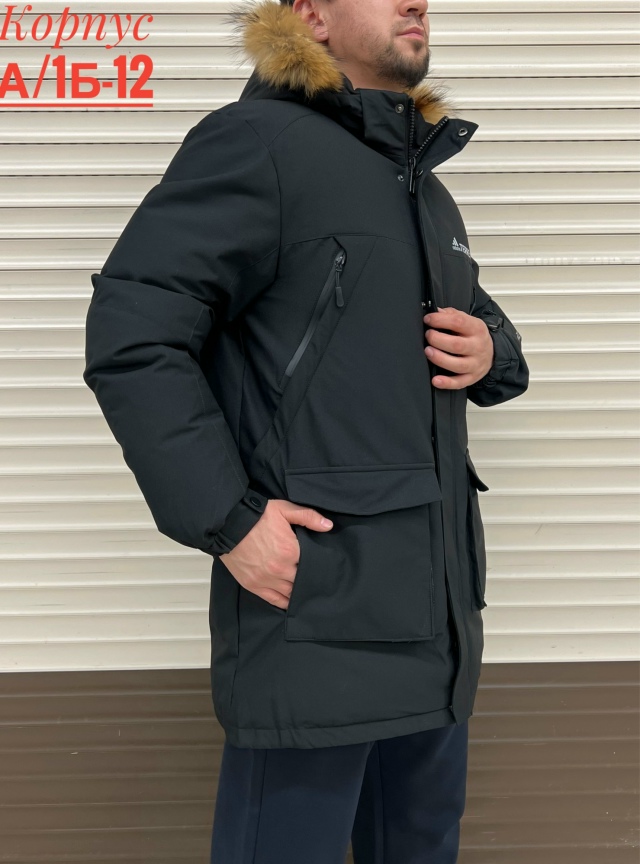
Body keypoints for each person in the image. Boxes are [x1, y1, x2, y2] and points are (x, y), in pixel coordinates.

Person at [83, 0, 530, 860]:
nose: (417, 2)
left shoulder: (423, 187)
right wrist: (229, 520)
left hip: (437, 623)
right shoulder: (257, 144)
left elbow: (492, 344)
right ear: (312, 16)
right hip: (316, 626)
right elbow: (133, 338)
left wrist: (489, 352)